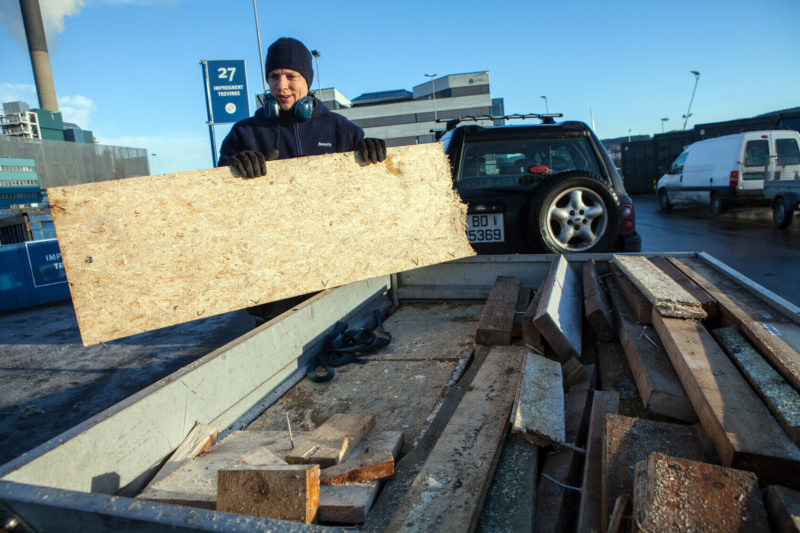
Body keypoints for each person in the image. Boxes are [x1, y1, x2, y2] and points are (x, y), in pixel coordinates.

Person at [219, 37, 386, 178]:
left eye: (291, 76)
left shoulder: (341, 131)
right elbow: (215, 193)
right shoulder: (243, 134)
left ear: (307, 81)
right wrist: (232, 170)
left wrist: (372, 156)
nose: (281, 86)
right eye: (274, 76)